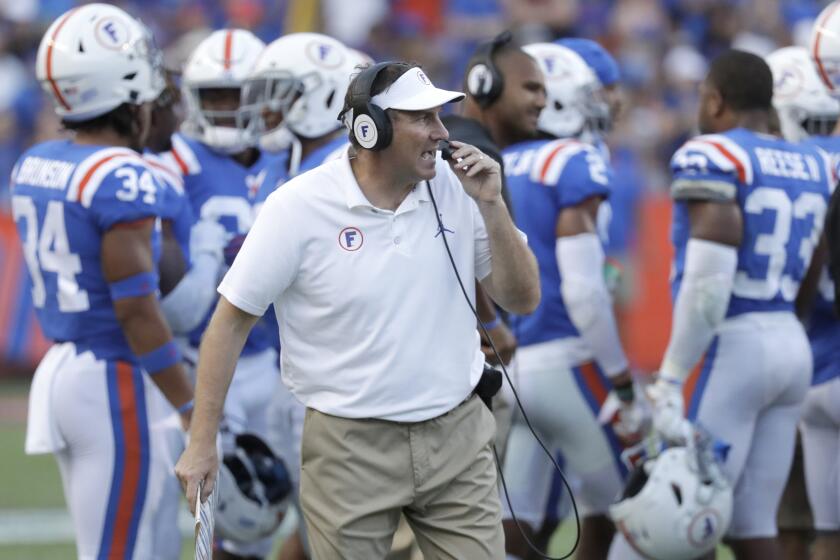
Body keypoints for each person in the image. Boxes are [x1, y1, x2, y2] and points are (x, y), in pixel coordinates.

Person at [176, 61, 540, 559]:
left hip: (458, 432)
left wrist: (494, 206)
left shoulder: (458, 189)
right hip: (349, 444)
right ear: (372, 127)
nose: (441, 132)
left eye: (440, 116)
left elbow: (522, 298)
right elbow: (229, 322)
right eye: (424, 118)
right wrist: (201, 442)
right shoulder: (298, 206)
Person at [15, 4, 194, 558]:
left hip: (69, 369)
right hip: (116, 378)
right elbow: (137, 311)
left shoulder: (37, 162)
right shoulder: (122, 179)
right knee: (128, 550)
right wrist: (193, 410)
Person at [646, 49, 833, 560]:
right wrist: (783, 328)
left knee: (680, 512)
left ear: (716, 99)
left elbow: (709, 280)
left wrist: (669, 376)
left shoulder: (712, 153)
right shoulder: (814, 162)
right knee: (754, 523)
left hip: (732, 343)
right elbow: (815, 265)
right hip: (791, 343)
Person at [499, 42, 645, 560]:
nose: (599, 106)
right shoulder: (574, 160)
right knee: (644, 511)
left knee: (515, 529)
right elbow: (583, 293)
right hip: (565, 359)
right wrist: (623, 381)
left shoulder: (495, 162)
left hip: (505, 371)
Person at [243, 32, 363, 560]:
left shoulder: (352, 165)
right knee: (314, 528)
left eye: (281, 92)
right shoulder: (282, 164)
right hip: (288, 370)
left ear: (321, 96)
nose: (267, 107)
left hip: (346, 377)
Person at [442, 31, 546, 368]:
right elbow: (451, 241)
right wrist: (490, 323)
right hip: (461, 353)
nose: (542, 102)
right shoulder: (476, 153)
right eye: (531, 88)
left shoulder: (454, 138)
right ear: (484, 85)